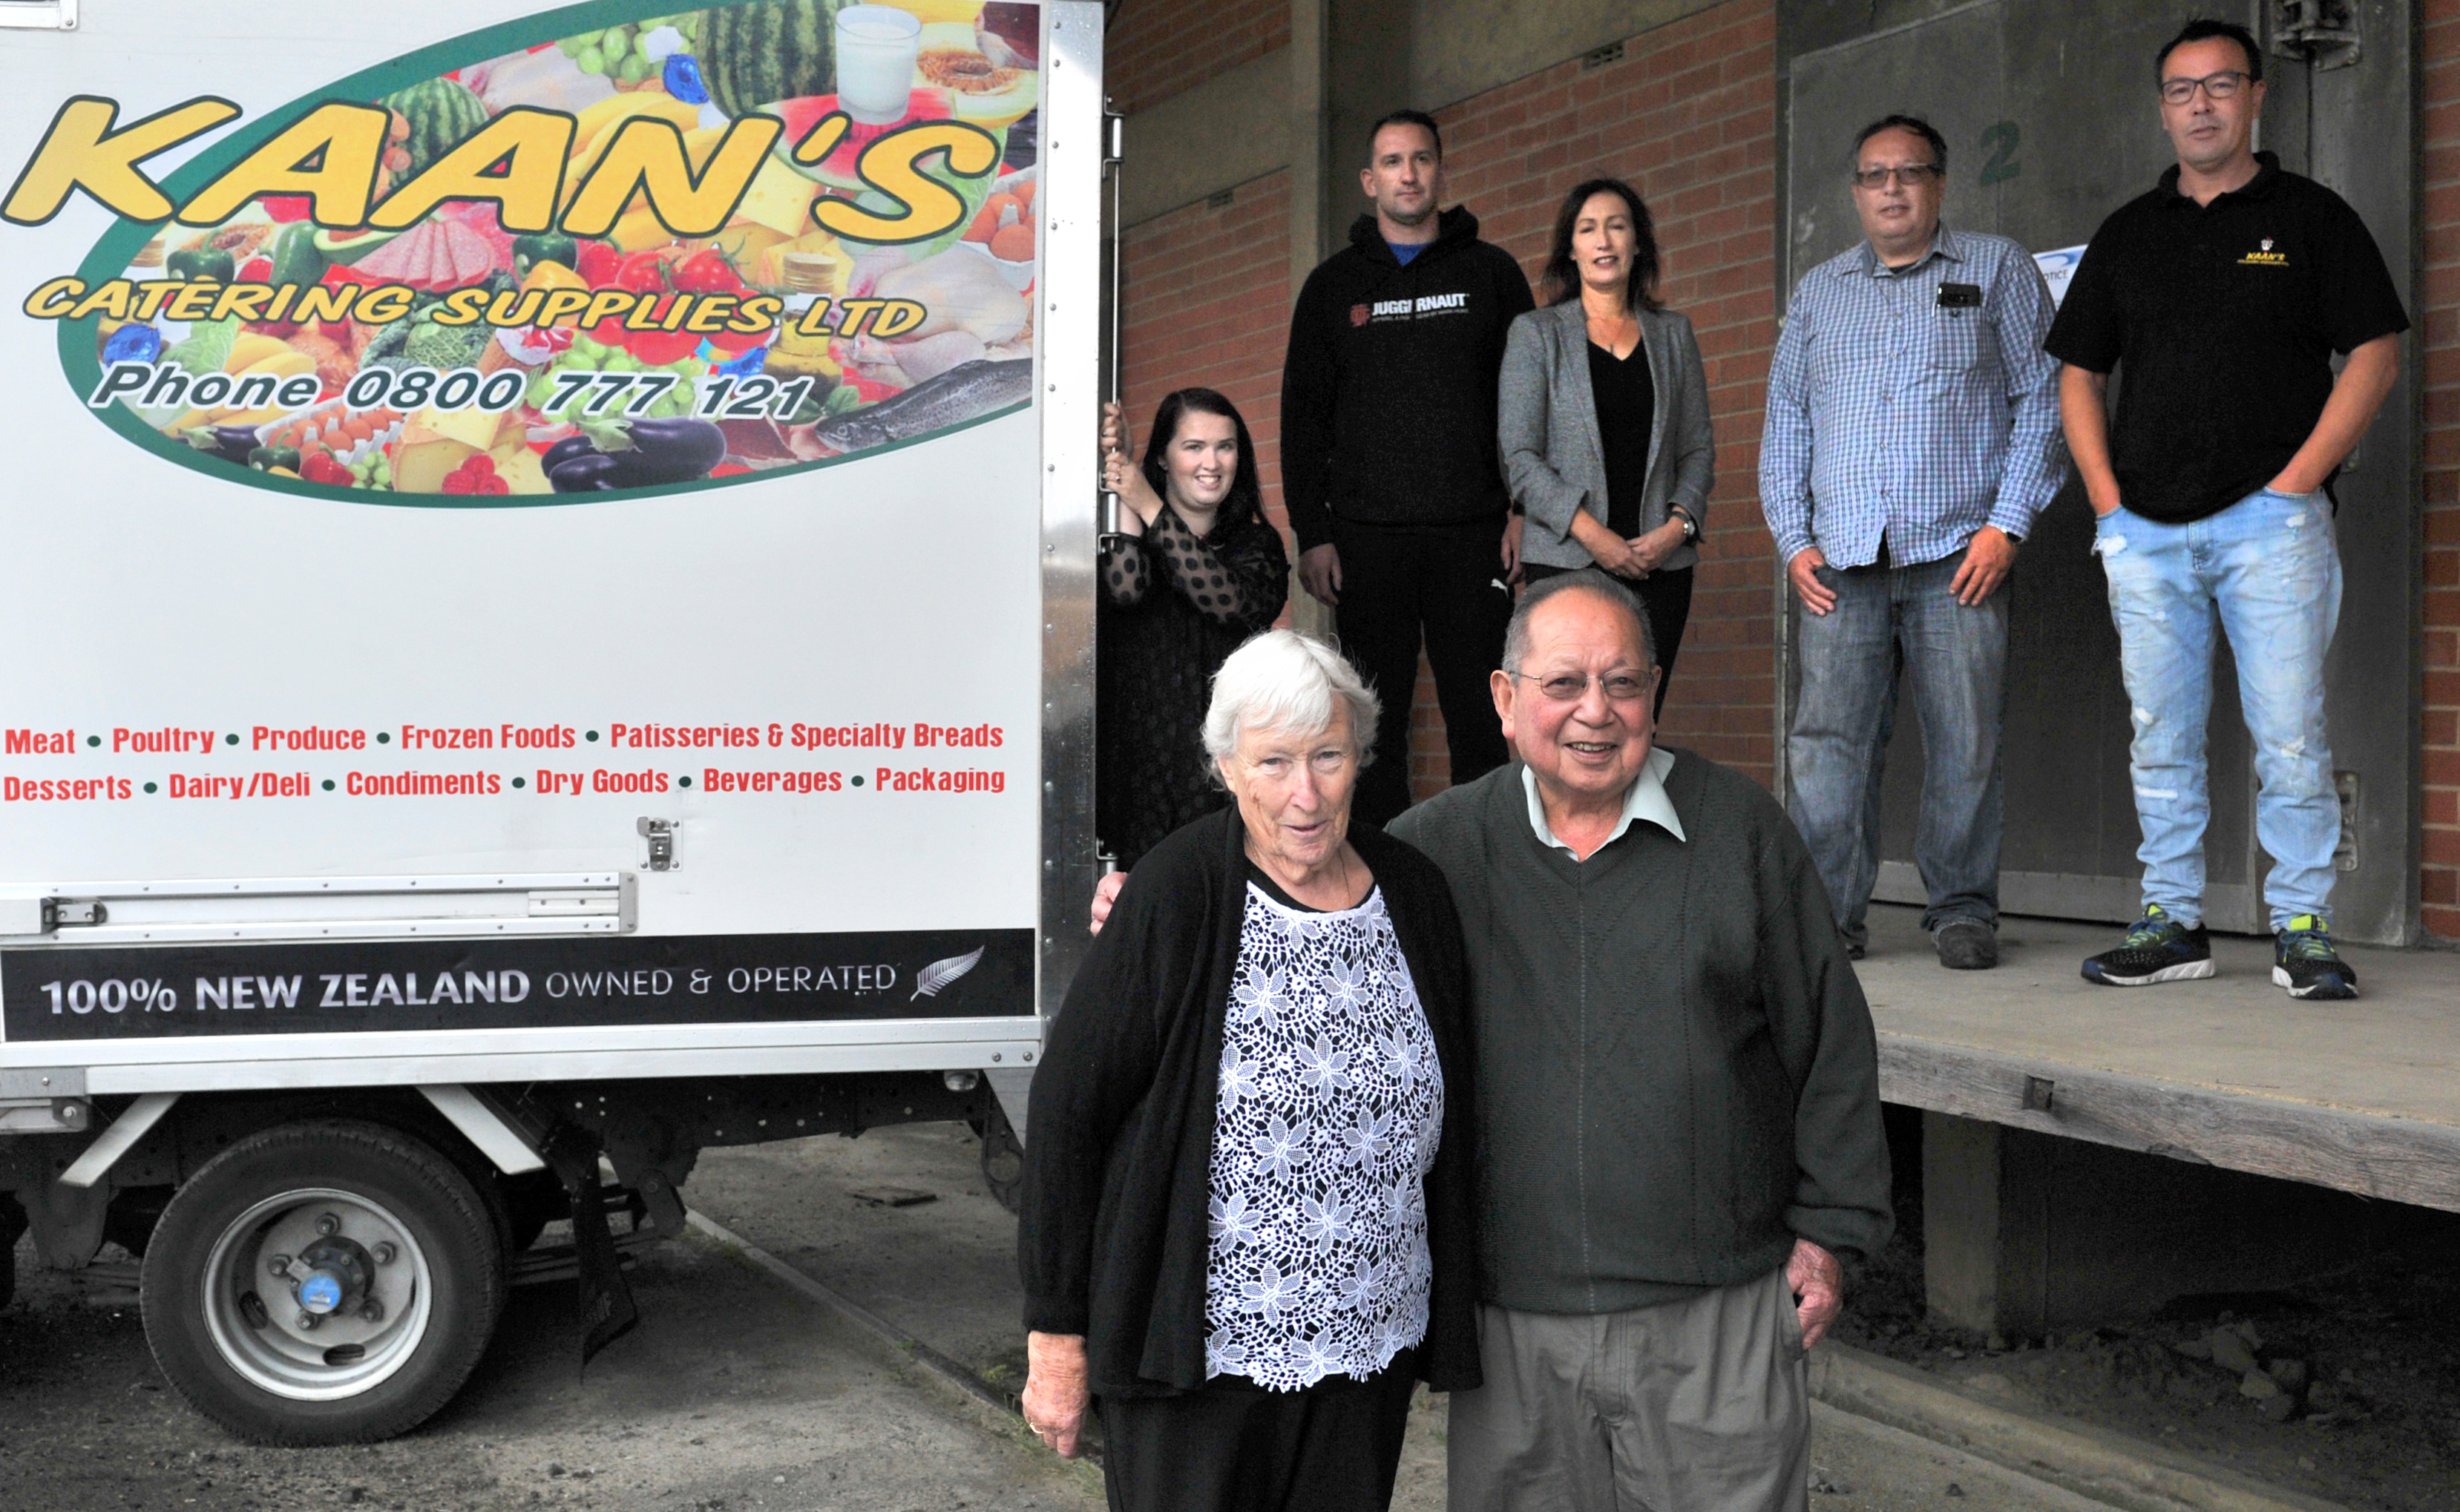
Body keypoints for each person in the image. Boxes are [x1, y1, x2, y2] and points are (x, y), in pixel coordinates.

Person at [1090, 576, 1893, 1512]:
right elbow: (1296, 866)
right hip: (1513, 1333)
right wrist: (1157, 901)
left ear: (1655, 692)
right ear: (1506, 701)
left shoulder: (1743, 834)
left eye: (1624, 683)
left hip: (1714, 1316)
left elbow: (1833, 1044)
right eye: (1563, 684)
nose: (1596, 710)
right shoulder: (1436, 851)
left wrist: (1833, 1237)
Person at [1018, 630, 1481, 1512]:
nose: (1303, 794)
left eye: (1328, 757)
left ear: (1361, 758)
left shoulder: (1415, 891)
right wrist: (1056, 1337)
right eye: (1273, 762)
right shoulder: (1177, 889)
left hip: (1366, 1350)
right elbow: (1069, 1111)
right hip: (1198, 1362)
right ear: (1227, 766)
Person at [2049, 18, 2404, 1000]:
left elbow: (2373, 351)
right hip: (2144, 531)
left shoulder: (2311, 218)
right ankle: (2170, 922)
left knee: (2288, 730)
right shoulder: (2126, 233)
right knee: (2158, 732)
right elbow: (2076, 373)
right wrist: (2107, 505)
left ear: (2255, 97)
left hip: (2268, 526)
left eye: (2217, 85)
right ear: (2160, 108)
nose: (2198, 103)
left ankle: (2299, 923)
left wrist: (2294, 483)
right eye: (2178, 89)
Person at [1759, 113, 2064, 971]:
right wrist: (1793, 539)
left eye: (1910, 172)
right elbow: (1787, 420)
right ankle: (1829, 918)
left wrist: (2009, 526)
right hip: (1840, 561)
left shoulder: (1996, 269)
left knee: (1966, 739)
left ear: (1940, 183)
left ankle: (1962, 910)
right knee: (1828, 747)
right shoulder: (1820, 291)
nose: (1891, 189)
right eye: (1874, 175)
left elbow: (2043, 397)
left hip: (1958, 556)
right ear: (1856, 191)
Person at [1281, 108, 1536, 826]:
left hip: (1474, 535)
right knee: (1372, 725)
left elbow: (1529, 403)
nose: (1409, 173)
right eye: (1392, 161)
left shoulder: (1491, 274)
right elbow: (1303, 419)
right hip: (1366, 542)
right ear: (1370, 180)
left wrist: (1522, 510)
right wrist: (1314, 533)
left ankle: (1483, 874)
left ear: (1441, 173)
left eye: (1421, 159)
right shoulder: (1332, 287)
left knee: (1481, 717)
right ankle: (1383, 878)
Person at [1498, 177, 1713, 720]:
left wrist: (1676, 529)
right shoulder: (1536, 333)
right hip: (1566, 562)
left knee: (1640, 719)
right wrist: (1597, 538)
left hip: (1659, 567)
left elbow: (1697, 449)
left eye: (1617, 227)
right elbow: (1519, 457)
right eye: (1587, 228)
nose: (1603, 240)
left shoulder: (1673, 334)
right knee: (1566, 717)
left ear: (1637, 242)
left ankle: (1633, 812)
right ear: (1569, 248)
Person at [1096, 389, 1290, 867]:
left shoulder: (1256, 542)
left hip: (1223, 777)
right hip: (1141, 771)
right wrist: (1127, 468)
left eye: (1225, 446)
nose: (1212, 461)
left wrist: (1148, 502)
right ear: (1164, 457)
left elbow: (1227, 600)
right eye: (1193, 447)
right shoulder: (1140, 534)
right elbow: (1125, 588)